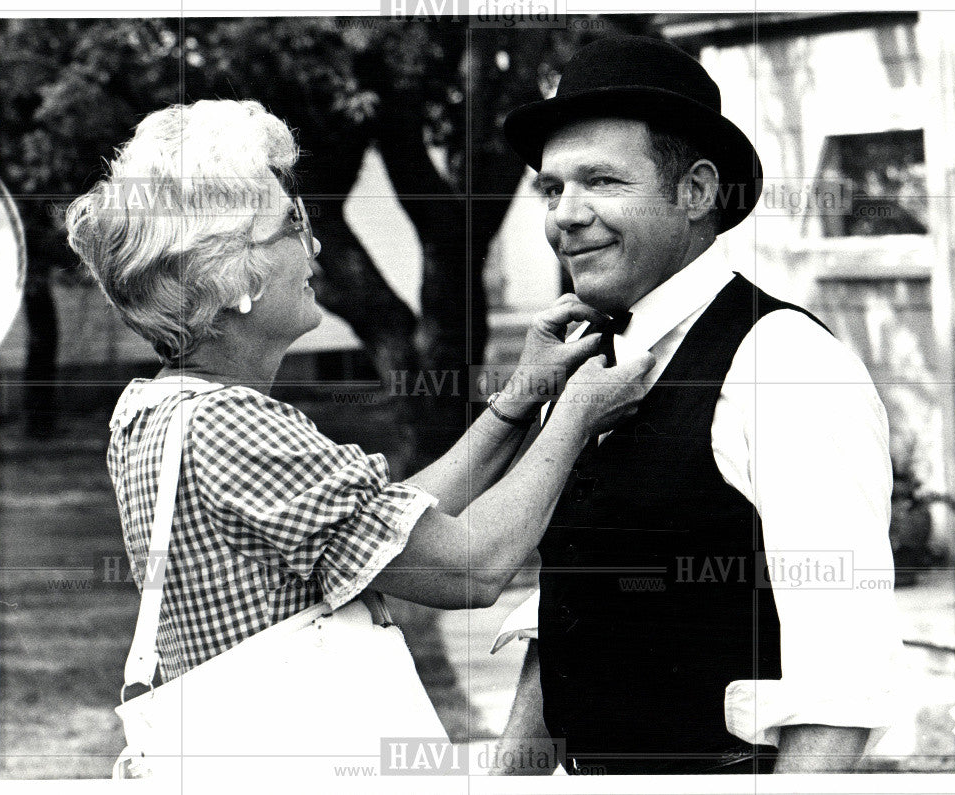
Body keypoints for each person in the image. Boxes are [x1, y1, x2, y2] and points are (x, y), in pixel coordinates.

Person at [65, 100, 654, 697]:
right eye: (291, 224)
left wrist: (521, 398)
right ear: (233, 275)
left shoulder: (152, 413)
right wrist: (574, 418)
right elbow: (469, 570)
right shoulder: (233, 428)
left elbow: (391, 526)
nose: (314, 246)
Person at [492, 35, 903, 775]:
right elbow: (561, 620)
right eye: (552, 189)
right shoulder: (588, 362)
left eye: (602, 181)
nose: (566, 215)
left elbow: (842, 690)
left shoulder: (785, 365)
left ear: (697, 191)